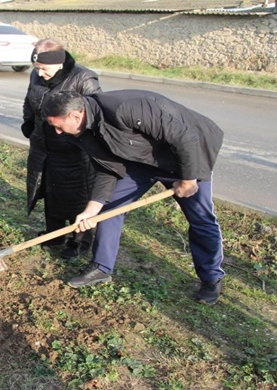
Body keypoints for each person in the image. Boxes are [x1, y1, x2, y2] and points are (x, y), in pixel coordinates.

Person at [42, 90, 225, 305]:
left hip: (189, 156)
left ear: (75, 115)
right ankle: (101, 266)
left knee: (200, 218)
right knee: (109, 209)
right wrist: (92, 208)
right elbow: (107, 168)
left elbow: (185, 137)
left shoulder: (124, 108)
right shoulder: (80, 132)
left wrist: (188, 180)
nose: (57, 132)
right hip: (141, 161)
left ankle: (212, 278)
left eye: (58, 126)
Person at [21, 38, 101, 259]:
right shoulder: (35, 75)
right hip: (43, 148)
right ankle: (54, 234)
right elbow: (29, 101)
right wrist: (28, 122)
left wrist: (79, 139)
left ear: (58, 63)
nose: (40, 74)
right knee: (49, 190)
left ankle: (79, 242)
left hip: (73, 151)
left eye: (44, 69)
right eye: (36, 69)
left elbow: (95, 113)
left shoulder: (83, 78)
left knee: (76, 195)